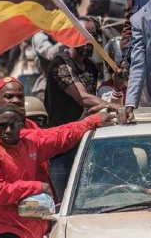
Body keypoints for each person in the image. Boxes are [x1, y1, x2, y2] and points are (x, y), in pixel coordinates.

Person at [0, 104, 113, 238]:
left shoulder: (31, 143)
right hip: (4, 227)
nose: (8, 130)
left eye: (13, 125)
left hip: (34, 227)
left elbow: (62, 135)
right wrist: (36, 187)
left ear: (21, 126)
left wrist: (94, 120)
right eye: (3, 125)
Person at [44, 17, 118, 196]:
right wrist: (112, 107)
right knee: (62, 199)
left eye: (94, 37)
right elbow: (84, 98)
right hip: (62, 143)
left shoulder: (91, 67)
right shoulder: (61, 63)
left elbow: (95, 100)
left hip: (85, 140)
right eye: (86, 36)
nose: (91, 42)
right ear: (73, 37)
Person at [31, 31, 64, 101]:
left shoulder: (62, 34)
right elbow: (50, 54)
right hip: (48, 87)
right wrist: (69, 40)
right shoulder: (39, 36)